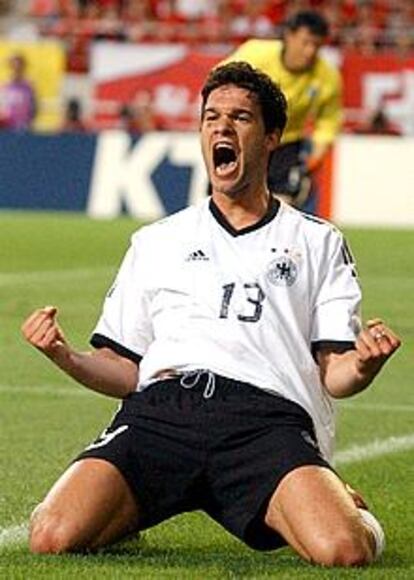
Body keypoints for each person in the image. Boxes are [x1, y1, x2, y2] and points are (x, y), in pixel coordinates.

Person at [22, 62, 401, 566]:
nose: (221, 128)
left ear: (271, 137)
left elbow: (336, 374)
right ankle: (130, 509)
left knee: (344, 549)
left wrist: (365, 363)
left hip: (264, 422)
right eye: (211, 117)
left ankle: (348, 506)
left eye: (240, 118)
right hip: (164, 412)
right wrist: (63, 355)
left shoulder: (317, 241)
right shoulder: (157, 241)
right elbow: (124, 370)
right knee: (51, 535)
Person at [222, 10, 342, 209]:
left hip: (286, 144)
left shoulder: (328, 76)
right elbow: (219, 84)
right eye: (305, 42)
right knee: (229, 205)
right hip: (242, 140)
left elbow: (328, 120)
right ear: (289, 35)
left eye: (317, 45)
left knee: (280, 209)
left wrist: (316, 156)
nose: (310, 51)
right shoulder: (255, 54)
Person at [0, 53, 37, 131]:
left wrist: (28, 122)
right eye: (14, 67)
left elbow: (33, 107)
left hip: (23, 127)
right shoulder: (4, 87)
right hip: (6, 128)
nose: (16, 70)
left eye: (19, 67)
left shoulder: (29, 87)